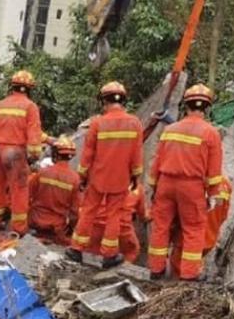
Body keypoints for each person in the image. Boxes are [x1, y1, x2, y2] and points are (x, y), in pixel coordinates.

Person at [146, 85, 225, 280]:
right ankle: (189, 274)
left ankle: (156, 270)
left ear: (185, 105)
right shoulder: (210, 133)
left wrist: (154, 187)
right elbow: (213, 172)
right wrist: (214, 194)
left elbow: (157, 162)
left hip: (165, 183)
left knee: (161, 226)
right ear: (206, 108)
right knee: (194, 229)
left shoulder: (170, 130)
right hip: (191, 187)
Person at [67, 82, 144, 268]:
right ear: (123, 100)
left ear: (103, 100)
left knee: (88, 211)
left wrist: (83, 176)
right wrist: (135, 176)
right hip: (120, 179)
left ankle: (76, 248)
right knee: (114, 215)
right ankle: (109, 255)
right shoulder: (134, 123)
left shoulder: (97, 124)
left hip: (97, 178)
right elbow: (136, 154)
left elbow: (88, 155)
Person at [0, 71, 44, 233]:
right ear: (30, 89)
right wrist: (34, 155)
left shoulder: (2, 103)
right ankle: (18, 228)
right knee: (19, 190)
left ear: (13, 87)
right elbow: (33, 134)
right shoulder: (30, 107)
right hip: (15, 152)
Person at [29, 136, 82, 245]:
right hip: (56, 229)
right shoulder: (75, 179)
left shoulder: (42, 173)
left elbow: (26, 195)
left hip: (34, 223)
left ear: (56, 154)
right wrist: (73, 229)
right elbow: (74, 212)